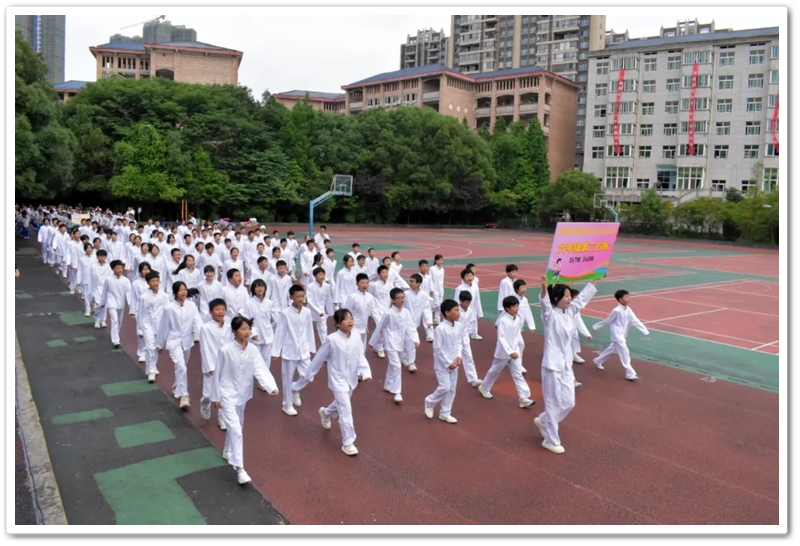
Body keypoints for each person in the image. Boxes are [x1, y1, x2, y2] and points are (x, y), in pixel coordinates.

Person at [292, 308, 373, 456]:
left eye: (351, 318)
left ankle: (326, 413)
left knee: (340, 404)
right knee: (346, 409)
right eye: (346, 319)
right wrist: (309, 375)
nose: (350, 321)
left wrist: (365, 372)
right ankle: (348, 443)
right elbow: (319, 358)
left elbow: (360, 356)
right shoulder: (332, 339)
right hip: (337, 379)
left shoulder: (356, 337)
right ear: (338, 323)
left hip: (351, 379)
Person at [535, 276, 599, 454]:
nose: (570, 298)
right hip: (552, 365)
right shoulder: (550, 315)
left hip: (566, 365)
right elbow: (545, 304)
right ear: (557, 299)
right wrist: (544, 289)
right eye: (567, 296)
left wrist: (596, 279)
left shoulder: (570, 312)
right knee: (553, 403)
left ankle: (544, 420)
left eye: (570, 296)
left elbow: (583, 298)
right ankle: (550, 440)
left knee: (569, 403)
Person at [211, 316, 279, 485]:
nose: (247, 332)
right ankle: (240, 469)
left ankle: (228, 450)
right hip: (226, 393)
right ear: (234, 331)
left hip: (243, 394)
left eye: (248, 328)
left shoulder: (253, 350)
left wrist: (270, 386)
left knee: (238, 425)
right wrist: (216, 396)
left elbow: (260, 369)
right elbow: (217, 373)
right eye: (243, 329)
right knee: (236, 430)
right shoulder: (225, 350)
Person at [478, 296, 535, 409]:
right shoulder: (503, 321)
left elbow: (516, 335)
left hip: (515, 352)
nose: (516, 308)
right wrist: (510, 352)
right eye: (514, 306)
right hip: (503, 352)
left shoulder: (518, 319)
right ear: (507, 308)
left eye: (517, 306)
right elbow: (501, 338)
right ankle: (484, 387)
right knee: (495, 371)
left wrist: (517, 348)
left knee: (518, 373)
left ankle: (523, 398)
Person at [156, 281, 203, 410]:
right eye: (180, 290)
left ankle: (177, 386)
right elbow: (164, 327)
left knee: (182, 366)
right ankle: (184, 396)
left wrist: (197, 334)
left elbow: (197, 321)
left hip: (187, 341)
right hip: (174, 341)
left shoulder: (191, 306)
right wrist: (160, 344)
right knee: (181, 366)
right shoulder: (169, 308)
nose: (183, 292)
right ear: (175, 292)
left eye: (185, 290)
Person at [272, 284, 316, 416]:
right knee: (287, 378)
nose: (301, 299)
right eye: (298, 297)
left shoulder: (307, 312)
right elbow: (280, 331)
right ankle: (287, 404)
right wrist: (276, 351)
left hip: (303, 349)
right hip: (289, 349)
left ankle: (295, 388)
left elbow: (309, 330)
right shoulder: (285, 313)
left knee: (309, 375)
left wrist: (311, 347)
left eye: (302, 296)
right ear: (291, 297)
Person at [369, 288, 419, 404]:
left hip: (401, 343)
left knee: (393, 365)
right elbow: (380, 327)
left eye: (403, 297)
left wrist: (415, 339)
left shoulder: (406, 313)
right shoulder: (389, 313)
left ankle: (387, 385)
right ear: (393, 300)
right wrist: (373, 342)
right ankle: (397, 392)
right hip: (390, 343)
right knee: (397, 366)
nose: (402, 300)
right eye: (399, 298)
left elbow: (411, 327)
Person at [592, 289, 648, 381]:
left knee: (613, 350)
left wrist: (644, 330)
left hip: (623, 333)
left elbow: (635, 320)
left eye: (628, 297)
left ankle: (598, 360)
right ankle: (630, 373)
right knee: (624, 351)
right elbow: (608, 320)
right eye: (626, 297)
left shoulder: (628, 309)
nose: (628, 299)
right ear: (620, 299)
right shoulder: (616, 310)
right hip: (617, 334)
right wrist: (596, 327)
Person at [423, 299, 464, 424]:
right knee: (445, 387)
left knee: (452, 389)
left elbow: (459, 342)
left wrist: (459, 356)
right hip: (442, 365)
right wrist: (448, 363)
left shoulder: (459, 326)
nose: (459, 313)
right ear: (447, 312)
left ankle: (445, 413)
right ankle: (430, 401)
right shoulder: (440, 329)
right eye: (456, 310)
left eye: (459, 310)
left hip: (454, 363)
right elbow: (437, 348)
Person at [200, 299, 233, 430]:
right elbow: (205, 349)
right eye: (217, 309)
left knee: (223, 393)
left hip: (226, 365)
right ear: (210, 311)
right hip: (212, 365)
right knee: (209, 394)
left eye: (223, 309)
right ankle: (204, 405)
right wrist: (210, 367)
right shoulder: (205, 328)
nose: (221, 312)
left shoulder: (229, 327)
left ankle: (222, 418)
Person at [137, 271, 170, 382]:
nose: (155, 283)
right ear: (148, 283)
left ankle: (152, 366)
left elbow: (168, 312)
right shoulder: (144, 297)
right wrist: (140, 329)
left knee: (156, 347)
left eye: (157, 280)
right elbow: (140, 313)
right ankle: (151, 371)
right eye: (152, 281)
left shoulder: (164, 296)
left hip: (160, 325)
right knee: (150, 346)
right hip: (147, 324)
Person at [241, 279, 275, 369]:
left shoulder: (269, 303)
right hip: (255, 336)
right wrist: (252, 333)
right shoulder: (248, 303)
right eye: (257, 287)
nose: (260, 288)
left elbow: (275, 318)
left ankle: (264, 377)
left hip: (267, 336)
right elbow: (245, 319)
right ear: (253, 289)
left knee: (266, 360)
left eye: (262, 286)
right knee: (254, 360)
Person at [99, 259, 132, 349]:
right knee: (114, 320)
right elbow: (105, 291)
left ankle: (116, 334)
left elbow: (128, 292)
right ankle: (116, 340)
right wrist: (102, 302)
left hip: (121, 303)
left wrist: (129, 302)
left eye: (121, 268)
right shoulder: (108, 280)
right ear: (113, 269)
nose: (119, 270)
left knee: (120, 321)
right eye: (117, 268)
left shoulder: (126, 280)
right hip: (111, 303)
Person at [345, 273, 378, 357]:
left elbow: (374, 311)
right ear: (357, 284)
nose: (365, 285)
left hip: (364, 328)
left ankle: (361, 363)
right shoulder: (353, 297)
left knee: (363, 348)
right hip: (354, 328)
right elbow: (347, 312)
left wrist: (380, 324)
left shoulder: (370, 297)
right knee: (353, 347)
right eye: (362, 283)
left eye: (366, 283)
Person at [455, 291, 482, 388]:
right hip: (454, 337)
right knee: (454, 357)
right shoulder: (456, 310)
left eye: (469, 302)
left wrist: (469, 333)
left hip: (465, 337)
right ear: (460, 301)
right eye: (466, 302)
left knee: (469, 356)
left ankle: (473, 378)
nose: (467, 304)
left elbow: (469, 323)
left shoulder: (470, 311)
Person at [307, 267, 334, 345]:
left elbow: (328, 299)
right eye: (320, 275)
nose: (322, 276)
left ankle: (325, 348)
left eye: (323, 275)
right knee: (308, 330)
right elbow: (309, 301)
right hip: (311, 312)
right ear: (315, 276)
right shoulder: (310, 286)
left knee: (323, 331)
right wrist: (318, 311)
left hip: (322, 313)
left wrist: (330, 312)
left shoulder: (326, 286)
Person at [453, 268, 483, 340]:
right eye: (467, 276)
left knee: (473, 321)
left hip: (472, 309)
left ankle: (474, 334)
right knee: (463, 325)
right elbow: (456, 301)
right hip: (463, 310)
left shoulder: (475, 286)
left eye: (471, 275)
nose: (469, 278)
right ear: (463, 278)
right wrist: (456, 312)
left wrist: (480, 313)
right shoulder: (460, 288)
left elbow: (477, 299)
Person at [429, 254, 445, 324]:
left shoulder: (442, 270)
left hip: (440, 289)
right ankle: (427, 312)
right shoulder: (432, 269)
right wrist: (431, 289)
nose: (440, 261)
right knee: (436, 304)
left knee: (440, 305)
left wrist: (442, 289)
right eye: (439, 260)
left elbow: (442, 280)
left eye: (441, 260)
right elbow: (430, 279)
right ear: (435, 260)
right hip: (434, 288)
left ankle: (437, 319)